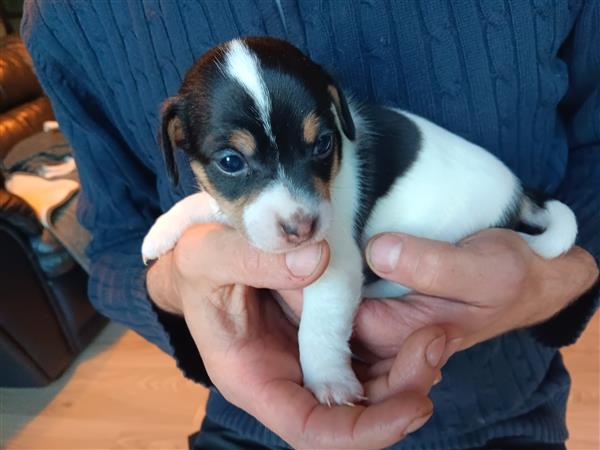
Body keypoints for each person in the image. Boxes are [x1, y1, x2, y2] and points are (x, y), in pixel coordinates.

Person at [21, 1, 599, 449]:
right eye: (231, 162)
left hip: (502, 403)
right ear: (178, 144)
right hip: (254, 419)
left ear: (335, 111)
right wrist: (171, 285)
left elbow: (335, 271)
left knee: (340, 258)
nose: (298, 214)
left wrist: (557, 280)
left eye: (319, 146)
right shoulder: (66, 17)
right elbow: (116, 246)